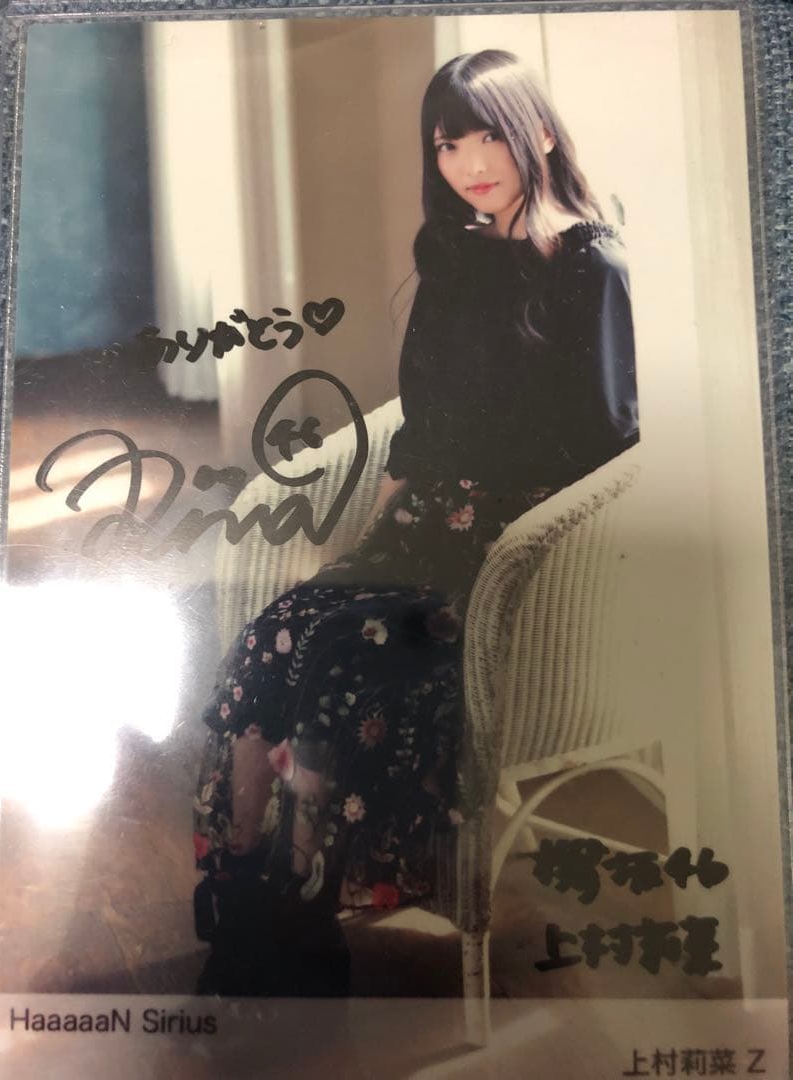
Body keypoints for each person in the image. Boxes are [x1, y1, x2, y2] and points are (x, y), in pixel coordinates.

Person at [191, 48, 639, 997]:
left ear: (538, 135)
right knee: (276, 635)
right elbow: (421, 422)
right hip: (426, 525)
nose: (470, 163)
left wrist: (497, 527)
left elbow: (609, 441)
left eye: (488, 138)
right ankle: (242, 882)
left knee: (341, 667)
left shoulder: (590, 265)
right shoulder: (455, 256)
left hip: (512, 547)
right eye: (447, 144)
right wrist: (377, 536)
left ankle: (304, 909)